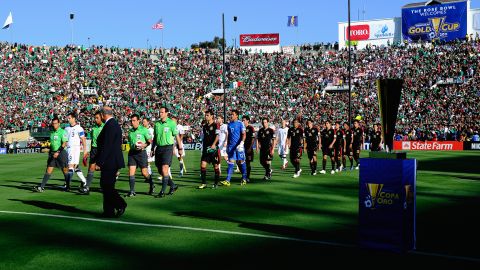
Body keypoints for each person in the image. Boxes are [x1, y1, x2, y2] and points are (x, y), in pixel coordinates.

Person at [95, 106, 127, 218]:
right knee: (107, 186)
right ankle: (109, 211)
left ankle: (120, 204)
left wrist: (99, 162)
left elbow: (107, 146)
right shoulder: (113, 124)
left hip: (110, 161)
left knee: (106, 186)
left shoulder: (110, 125)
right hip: (112, 160)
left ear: (103, 115)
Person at [151, 106, 183, 197]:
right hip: (159, 148)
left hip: (168, 148)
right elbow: (155, 138)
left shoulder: (172, 123)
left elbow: (177, 137)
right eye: (159, 112)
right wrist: (153, 149)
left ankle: (162, 192)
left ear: (166, 113)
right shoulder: (157, 124)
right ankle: (172, 185)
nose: (160, 114)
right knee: (160, 170)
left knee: (165, 169)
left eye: (162, 112)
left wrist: (180, 148)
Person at [34, 117, 69, 192]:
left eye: (55, 123)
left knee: (65, 170)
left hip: (61, 153)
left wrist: (58, 152)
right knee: (49, 169)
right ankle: (41, 187)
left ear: (59, 124)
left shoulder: (62, 132)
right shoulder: (52, 133)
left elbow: (64, 143)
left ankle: (68, 186)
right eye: (53, 123)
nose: (54, 125)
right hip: (52, 153)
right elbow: (52, 143)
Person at [125, 114, 154, 197]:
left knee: (144, 173)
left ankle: (152, 184)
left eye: (134, 120)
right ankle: (132, 191)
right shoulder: (130, 131)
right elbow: (130, 141)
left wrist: (143, 146)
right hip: (132, 153)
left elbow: (149, 141)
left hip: (141, 153)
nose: (132, 122)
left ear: (138, 121)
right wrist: (133, 146)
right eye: (131, 121)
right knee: (131, 172)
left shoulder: (144, 130)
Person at [219, 109, 248, 186]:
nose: (231, 116)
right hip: (231, 147)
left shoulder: (240, 124)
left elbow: (244, 134)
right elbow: (229, 136)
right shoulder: (229, 124)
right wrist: (227, 145)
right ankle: (228, 180)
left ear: (236, 116)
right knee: (231, 162)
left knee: (240, 162)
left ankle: (244, 178)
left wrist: (241, 143)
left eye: (232, 114)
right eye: (231, 114)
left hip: (239, 147)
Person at [79, 110, 104, 195]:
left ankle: (104, 186)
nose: (95, 119)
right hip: (94, 149)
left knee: (103, 169)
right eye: (95, 118)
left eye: (97, 118)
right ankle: (87, 187)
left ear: (101, 118)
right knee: (91, 168)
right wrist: (88, 151)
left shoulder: (105, 127)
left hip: (102, 150)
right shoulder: (93, 128)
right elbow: (92, 140)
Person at [65, 112, 88, 190]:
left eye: (69, 118)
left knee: (70, 166)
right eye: (68, 118)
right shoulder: (66, 128)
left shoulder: (79, 128)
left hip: (74, 149)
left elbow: (83, 140)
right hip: (68, 149)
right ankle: (84, 181)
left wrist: (85, 151)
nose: (68, 119)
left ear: (74, 118)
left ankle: (67, 185)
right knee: (75, 166)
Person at [198, 109, 220, 189]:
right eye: (205, 115)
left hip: (213, 150)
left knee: (216, 167)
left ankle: (216, 183)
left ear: (212, 116)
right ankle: (204, 183)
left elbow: (217, 136)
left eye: (207, 115)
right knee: (203, 165)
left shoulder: (216, 125)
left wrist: (214, 144)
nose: (206, 117)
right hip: (206, 150)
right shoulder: (204, 127)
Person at [242, 115, 256, 181]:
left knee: (247, 162)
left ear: (248, 120)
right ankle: (244, 176)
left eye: (244, 120)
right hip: (242, 148)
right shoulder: (241, 128)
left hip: (248, 148)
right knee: (241, 162)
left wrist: (250, 147)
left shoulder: (251, 128)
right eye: (242, 120)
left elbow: (253, 138)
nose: (243, 121)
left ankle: (247, 177)